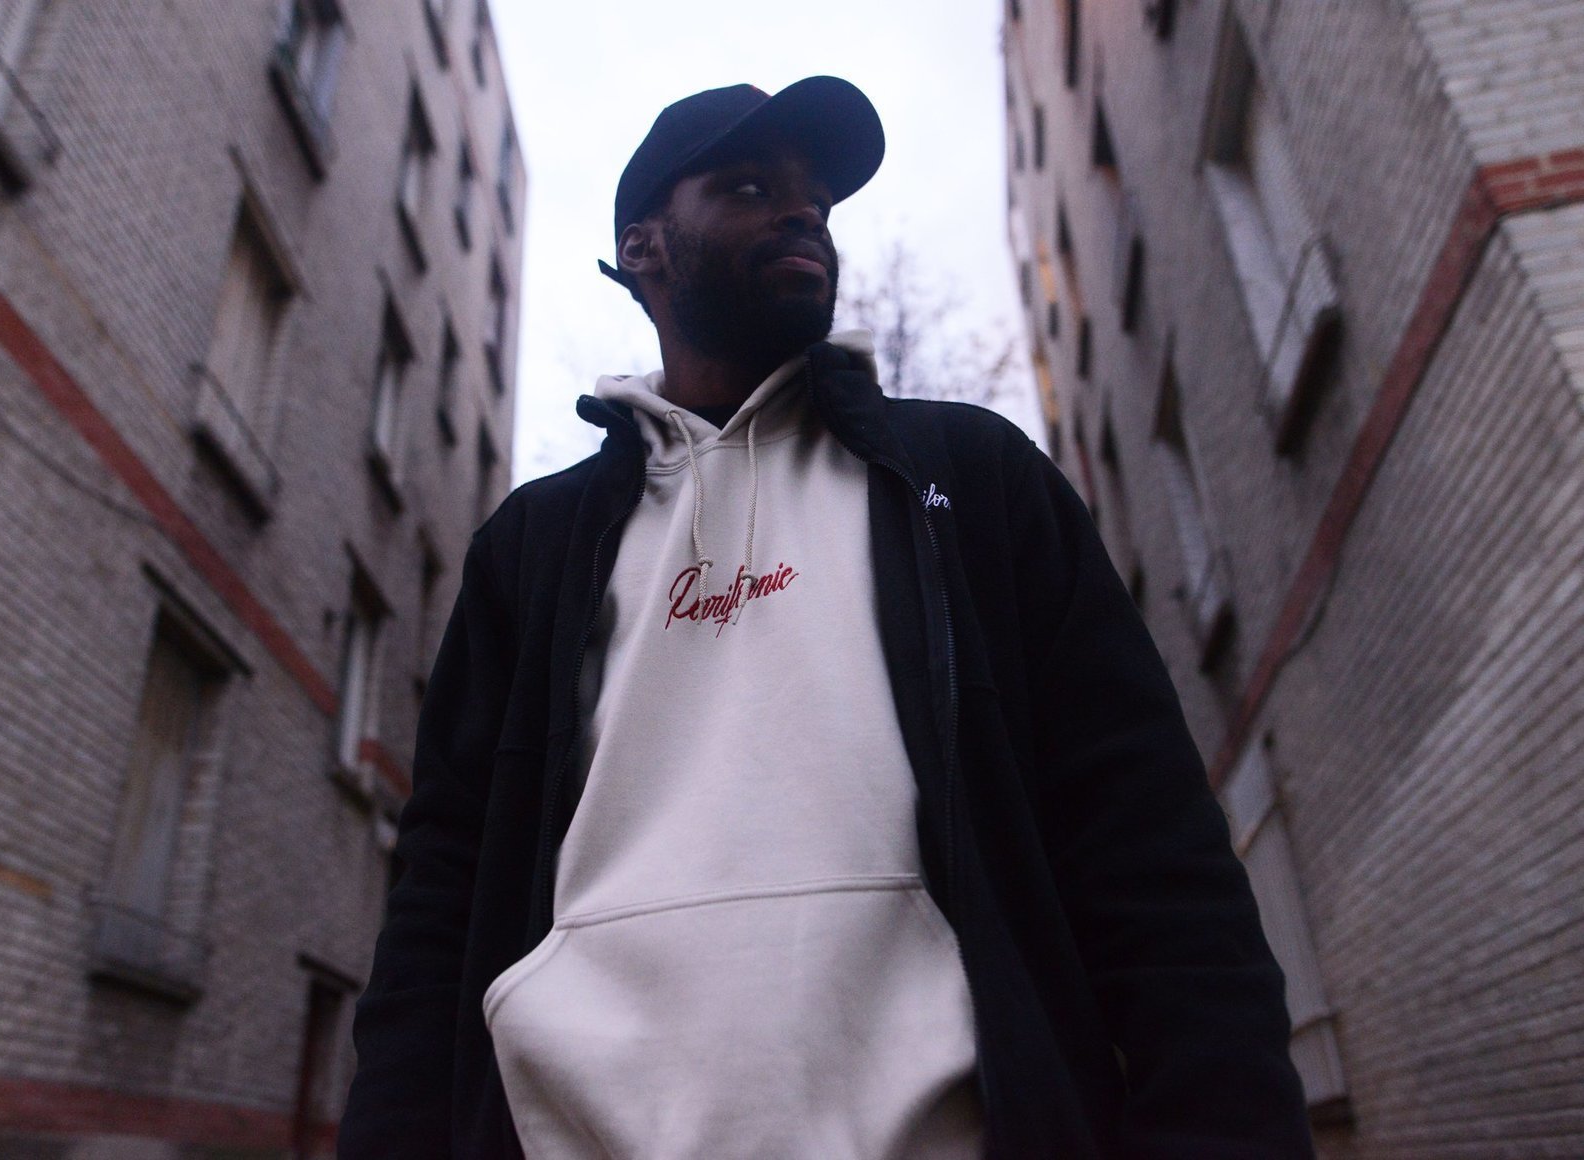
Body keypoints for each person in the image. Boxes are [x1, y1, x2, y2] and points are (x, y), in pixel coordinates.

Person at [340, 76, 1313, 1159]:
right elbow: (438, 897)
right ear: (644, 247)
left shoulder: (971, 480)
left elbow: (1153, 854)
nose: (804, 212)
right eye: (752, 187)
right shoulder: (533, 547)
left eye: (818, 199)